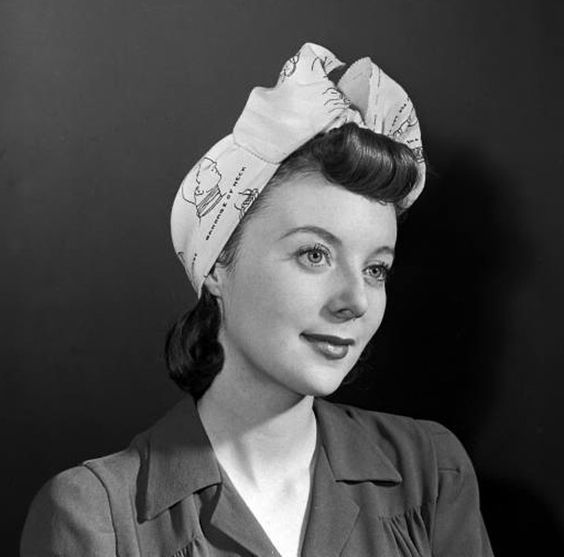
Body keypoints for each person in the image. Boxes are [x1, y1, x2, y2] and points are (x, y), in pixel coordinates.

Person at [21, 43, 494, 556]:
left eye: (376, 269)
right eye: (314, 254)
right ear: (219, 264)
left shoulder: (430, 471)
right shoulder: (97, 517)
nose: (355, 300)